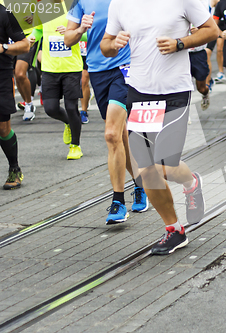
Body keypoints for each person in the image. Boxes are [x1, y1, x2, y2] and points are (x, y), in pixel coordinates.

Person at [101, 0, 217, 254]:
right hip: (140, 92)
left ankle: (191, 183)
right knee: (146, 171)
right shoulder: (120, 4)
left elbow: (211, 30)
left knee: (166, 165)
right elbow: (105, 45)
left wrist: (180, 43)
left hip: (174, 91)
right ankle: (174, 230)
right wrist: (114, 43)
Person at [66, 0, 149, 223]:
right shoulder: (80, 2)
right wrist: (81, 29)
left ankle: (118, 202)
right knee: (120, 136)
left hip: (125, 68)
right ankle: (141, 183)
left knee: (111, 134)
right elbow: (68, 39)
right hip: (97, 72)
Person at [28, 5, 84, 160]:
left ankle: (75, 145)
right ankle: (68, 123)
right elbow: (39, 30)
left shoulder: (75, 7)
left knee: (71, 107)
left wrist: (71, 32)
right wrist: (31, 38)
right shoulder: (43, 8)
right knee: (50, 108)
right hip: (49, 67)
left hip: (71, 67)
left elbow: (88, 34)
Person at [0, 3, 30, 189]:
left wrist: (3, 48)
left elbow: (25, 45)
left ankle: (14, 168)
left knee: (3, 129)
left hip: (1, 75)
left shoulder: (5, 14)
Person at [11, 0, 38, 121]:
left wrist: (34, 17)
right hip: (9, 39)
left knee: (20, 73)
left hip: (28, 36)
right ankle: (27, 101)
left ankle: (29, 104)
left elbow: (44, 7)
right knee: (15, 76)